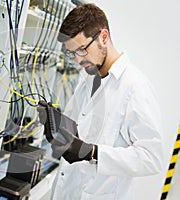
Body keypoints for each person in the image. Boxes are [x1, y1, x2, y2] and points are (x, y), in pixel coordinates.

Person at [38, 3, 163, 200]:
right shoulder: (89, 79)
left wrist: (94, 153)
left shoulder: (135, 87)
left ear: (103, 37)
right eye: (72, 54)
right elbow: (79, 130)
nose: (78, 60)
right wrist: (56, 122)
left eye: (81, 50)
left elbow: (152, 158)